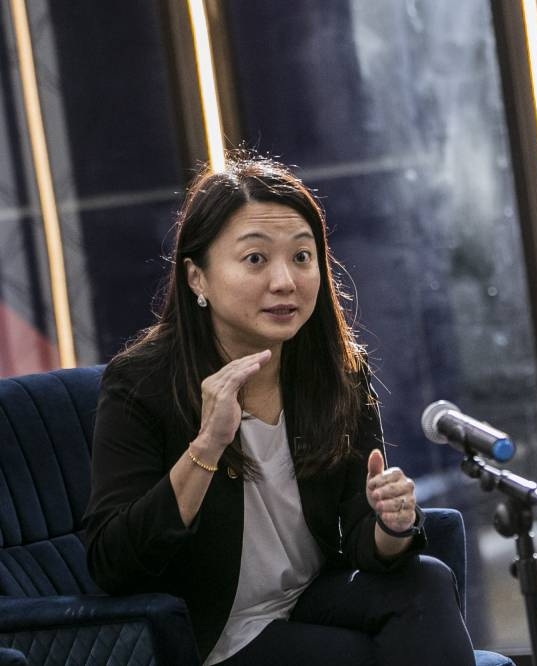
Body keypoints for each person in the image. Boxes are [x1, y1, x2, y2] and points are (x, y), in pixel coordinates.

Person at [83, 153, 476, 665]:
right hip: (214, 631)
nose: (285, 281)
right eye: (255, 259)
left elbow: (360, 536)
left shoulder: (336, 371)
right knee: (359, 656)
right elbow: (112, 562)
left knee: (427, 579)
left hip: (311, 599)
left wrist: (391, 526)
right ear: (197, 278)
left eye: (302, 257)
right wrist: (207, 446)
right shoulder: (143, 383)